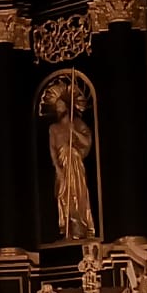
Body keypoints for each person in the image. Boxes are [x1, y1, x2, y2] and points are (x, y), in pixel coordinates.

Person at [49, 89, 95, 240]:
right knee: (64, 196)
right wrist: (57, 169)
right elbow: (53, 151)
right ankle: (68, 229)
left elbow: (87, 142)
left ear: (68, 107)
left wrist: (74, 132)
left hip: (75, 164)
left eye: (61, 106)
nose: (58, 109)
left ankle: (80, 228)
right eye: (57, 108)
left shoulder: (78, 124)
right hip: (62, 166)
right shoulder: (53, 128)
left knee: (78, 195)